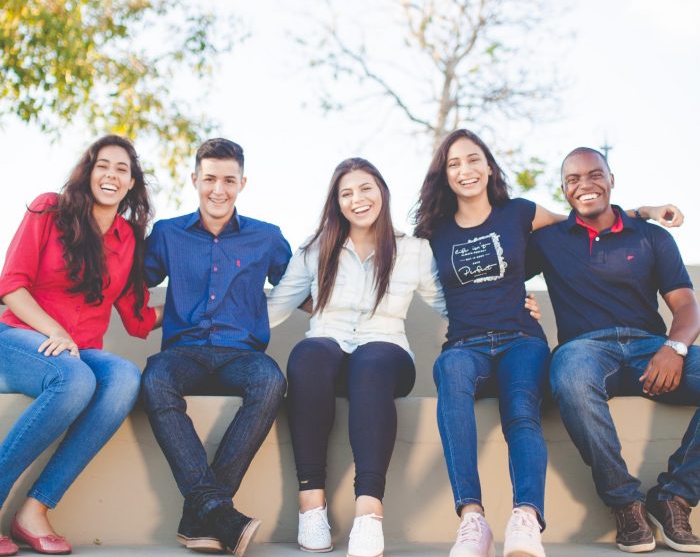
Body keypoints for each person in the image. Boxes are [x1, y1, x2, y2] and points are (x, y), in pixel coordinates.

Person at [413, 129, 680, 557]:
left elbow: (586, 220)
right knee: (450, 375)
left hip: (522, 339)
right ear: (444, 175)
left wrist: (643, 211)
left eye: (474, 159)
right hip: (464, 344)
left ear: (488, 166)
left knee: (521, 409)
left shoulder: (519, 213)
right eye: (454, 163)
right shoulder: (433, 232)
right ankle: (472, 519)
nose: (466, 170)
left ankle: (525, 519)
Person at [267, 157, 492, 557]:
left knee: (371, 363)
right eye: (346, 193)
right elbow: (277, 305)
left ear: (382, 191)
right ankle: (311, 505)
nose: (358, 199)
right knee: (308, 354)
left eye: (365, 188)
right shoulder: (315, 250)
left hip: (387, 355)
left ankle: (369, 511)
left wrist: (507, 308)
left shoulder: (413, 251)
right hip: (328, 352)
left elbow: (450, 304)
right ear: (336, 203)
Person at [526, 147, 700, 554]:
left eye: (594, 175)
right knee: (568, 376)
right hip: (584, 350)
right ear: (564, 190)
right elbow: (499, 251)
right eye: (573, 180)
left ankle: (674, 496)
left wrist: (674, 347)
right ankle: (625, 503)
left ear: (611, 179)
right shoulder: (548, 240)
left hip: (651, 350)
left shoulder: (651, 236)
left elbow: (687, 306)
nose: (584, 185)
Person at [0, 135, 160, 557]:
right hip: (19, 336)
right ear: (89, 172)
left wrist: (204, 306)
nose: (111, 174)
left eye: (121, 169)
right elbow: (11, 286)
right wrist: (54, 331)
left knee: (125, 378)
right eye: (102, 165)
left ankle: (34, 510)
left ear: (131, 184)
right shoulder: (49, 209)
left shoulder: (128, 239)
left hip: (79, 350)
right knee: (73, 381)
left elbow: (137, 316)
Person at [140, 138, 291, 557]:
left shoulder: (267, 237)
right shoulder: (168, 233)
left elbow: (304, 284)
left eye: (229, 180)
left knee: (270, 381)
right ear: (195, 180)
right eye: (209, 179)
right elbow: (130, 281)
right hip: (182, 352)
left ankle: (204, 512)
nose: (218, 190)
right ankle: (219, 511)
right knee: (154, 379)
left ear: (243, 182)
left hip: (242, 355)